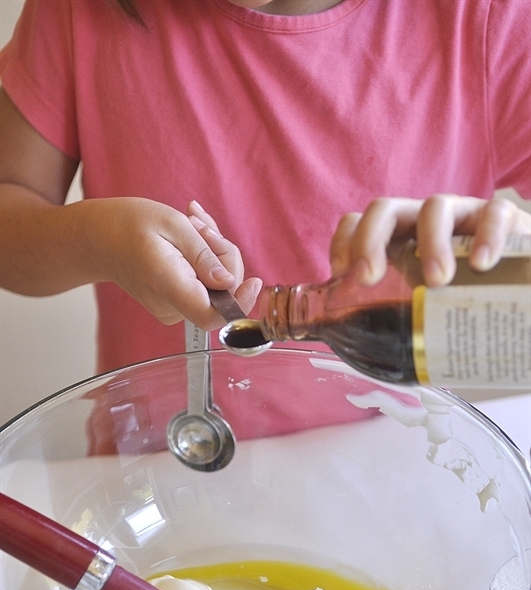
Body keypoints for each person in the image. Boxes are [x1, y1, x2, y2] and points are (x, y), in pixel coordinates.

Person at [0, 0, 530, 383]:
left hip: (414, 458)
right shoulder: (79, 12)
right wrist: (100, 240)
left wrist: (516, 248)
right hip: (158, 468)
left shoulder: (490, 20)